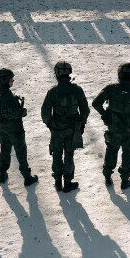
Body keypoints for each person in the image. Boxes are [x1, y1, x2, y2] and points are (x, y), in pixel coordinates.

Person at [92, 62, 130, 189]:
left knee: (111, 151)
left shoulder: (111, 88)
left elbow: (96, 103)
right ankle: (124, 180)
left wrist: (105, 114)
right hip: (129, 129)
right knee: (127, 154)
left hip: (114, 128)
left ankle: (107, 176)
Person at [41, 61, 90, 193]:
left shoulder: (53, 92)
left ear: (56, 74)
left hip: (57, 128)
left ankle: (57, 182)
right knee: (69, 154)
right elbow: (85, 109)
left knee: (56, 154)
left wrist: (50, 124)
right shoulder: (77, 90)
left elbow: (45, 112)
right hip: (72, 128)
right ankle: (67, 182)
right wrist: (81, 123)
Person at [0, 68, 38, 187]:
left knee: (5, 150)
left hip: (2, 127)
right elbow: (13, 113)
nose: (12, 81)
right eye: (11, 79)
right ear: (6, 81)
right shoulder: (7, 96)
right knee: (21, 151)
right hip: (15, 128)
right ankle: (27, 177)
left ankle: (2, 173)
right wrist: (22, 112)